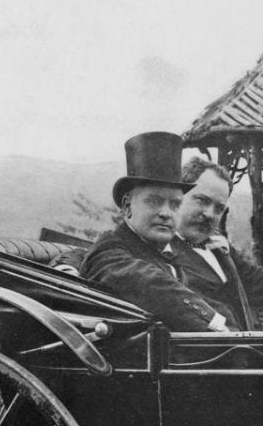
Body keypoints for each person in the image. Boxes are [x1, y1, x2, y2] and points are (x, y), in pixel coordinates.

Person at [80, 132, 235, 332]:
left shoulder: (164, 254)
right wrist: (220, 326)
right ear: (127, 206)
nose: (166, 213)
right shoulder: (109, 250)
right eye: (154, 201)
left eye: (175, 204)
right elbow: (150, 283)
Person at [175, 156, 263, 329]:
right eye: (202, 200)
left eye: (219, 208)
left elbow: (261, 282)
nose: (209, 214)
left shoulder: (218, 249)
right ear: (177, 197)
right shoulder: (162, 251)